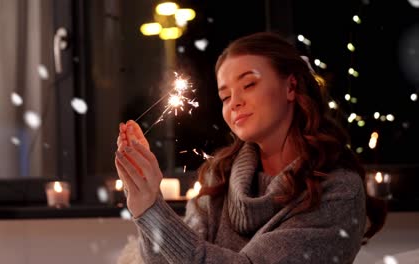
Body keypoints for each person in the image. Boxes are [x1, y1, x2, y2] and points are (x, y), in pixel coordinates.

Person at [115, 32, 387, 264]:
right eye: (225, 96)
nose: (234, 102)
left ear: (291, 86)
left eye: (249, 84)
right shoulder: (217, 178)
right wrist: (143, 201)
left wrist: (153, 209)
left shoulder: (337, 191)